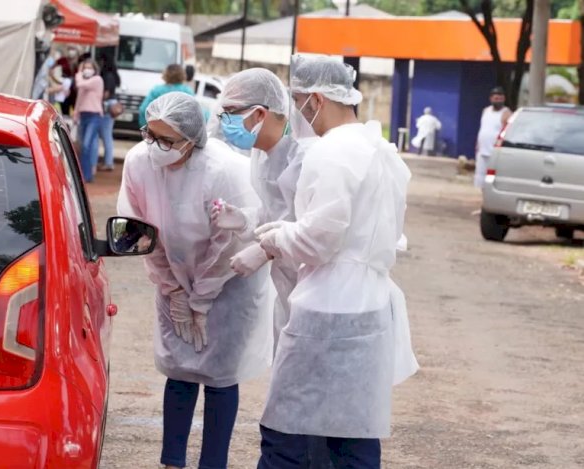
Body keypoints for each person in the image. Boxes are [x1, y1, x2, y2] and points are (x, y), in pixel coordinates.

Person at [254, 53, 418, 469]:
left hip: (327, 308)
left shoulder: (330, 153)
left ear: (316, 99)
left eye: (296, 99)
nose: (296, 111)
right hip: (372, 307)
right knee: (354, 438)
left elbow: (319, 239)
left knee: (285, 434)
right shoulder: (384, 152)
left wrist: (276, 237)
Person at [117, 92, 273, 469]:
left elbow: (228, 244)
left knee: (220, 373)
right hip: (172, 270)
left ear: (192, 138)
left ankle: (212, 463)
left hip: (230, 279)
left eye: (167, 140)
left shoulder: (223, 171)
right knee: (180, 365)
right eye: (150, 135)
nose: (156, 147)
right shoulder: (140, 162)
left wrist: (202, 297)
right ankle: (172, 461)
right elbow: (140, 232)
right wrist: (173, 289)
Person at [212, 67, 332, 469]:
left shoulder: (307, 158)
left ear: (260, 113)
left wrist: (263, 250)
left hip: (320, 296)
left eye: (231, 112)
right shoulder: (260, 157)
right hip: (289, 297)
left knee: (308, 406)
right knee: (295, 400)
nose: (223, 121)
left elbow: (316, 235)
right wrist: (243, 220)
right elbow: (270, 214)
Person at [74, 59, 104, 183]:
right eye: (85, 67)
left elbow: (81, 85)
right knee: (82, 147)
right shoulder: (84, 81)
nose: (87, 69)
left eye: (89, 67)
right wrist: (76, 113)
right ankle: (83, 173)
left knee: (87, 145)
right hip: (83, 115)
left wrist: (78, 74)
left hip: (94, 116)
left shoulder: (97, 80)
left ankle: (87, 175)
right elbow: (79, 99)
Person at [474, 86, 512, 187]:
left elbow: (507, 132)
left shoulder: (506, 113)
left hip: (495, 152)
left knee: (492, 179)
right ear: (491, 99)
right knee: (480, 176)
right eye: (496, 98)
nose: (498, 101)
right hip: (482, 149)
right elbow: (482, 128)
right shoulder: (486, 111)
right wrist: (477, 144)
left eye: (500, 98)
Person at [97, 52, 121, 172]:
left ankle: (108, 162)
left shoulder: (107, 76)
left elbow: (105, 94)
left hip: (106, 106)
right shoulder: (113, 76)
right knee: (107, 135)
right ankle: (108, 161)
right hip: (111, 105)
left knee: (106, 135)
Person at [56, 46, 80, 116]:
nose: (71, 51)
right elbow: (51, 69)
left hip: (75, 88)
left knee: (76, 109)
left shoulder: (80, 61)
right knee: (65, 109)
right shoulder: (63, 60)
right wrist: (58, 81)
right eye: (70, 49)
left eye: (73, 49)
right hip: (65, 86)